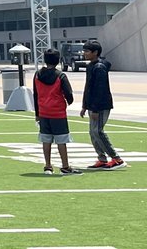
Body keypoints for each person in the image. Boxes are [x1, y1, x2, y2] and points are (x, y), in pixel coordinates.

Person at [79, 40, 126, 169]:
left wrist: (94, 109)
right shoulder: (91, 66)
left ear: (95, 53)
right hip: (92, 105)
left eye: (87, 51)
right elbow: (88, 87)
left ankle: (116, 159)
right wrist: (85, 105)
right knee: (93, 132)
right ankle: (102, 159)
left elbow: (100, 90)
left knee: (98, 131)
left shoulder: (99, 67)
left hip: (100, 106)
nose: (84, 53)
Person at [33, 48, 79, 175]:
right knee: (61, 140)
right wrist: (68, 101)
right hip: (58, 112)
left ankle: (48, 166)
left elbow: (35, 95)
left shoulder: (37, 75)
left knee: (46, 140)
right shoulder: (61, 76)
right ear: (58, 60)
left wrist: (37, 113)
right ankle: (65, 166)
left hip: (43, 112)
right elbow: (69, 94)